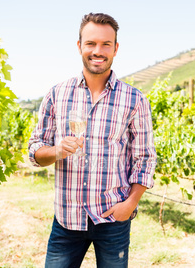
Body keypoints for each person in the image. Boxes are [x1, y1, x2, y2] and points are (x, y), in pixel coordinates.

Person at [28, 12, 157, 268]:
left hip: (112, 219)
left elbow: (145, 158)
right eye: (91, 43)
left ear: (115, 48)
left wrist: (129, 205)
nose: (98, 51)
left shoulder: (135, 100)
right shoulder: (57, 94)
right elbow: (35, 151)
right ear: (79, 46)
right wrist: (55, 151)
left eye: (105, 44)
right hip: (67, 219)